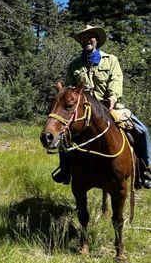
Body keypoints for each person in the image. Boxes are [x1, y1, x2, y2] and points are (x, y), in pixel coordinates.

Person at [53, 25, 151, 188]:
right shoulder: (75, 65)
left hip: (110, 107)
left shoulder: (111, 60)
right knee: (64, 134)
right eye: (83, 38)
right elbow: (70, 89)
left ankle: (145, 170)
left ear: (96, 40)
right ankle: (65, 170)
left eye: (90, 37)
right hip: (84, 109)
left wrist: (112, 98)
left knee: (142, 131)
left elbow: (116, 80)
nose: (87, 40)